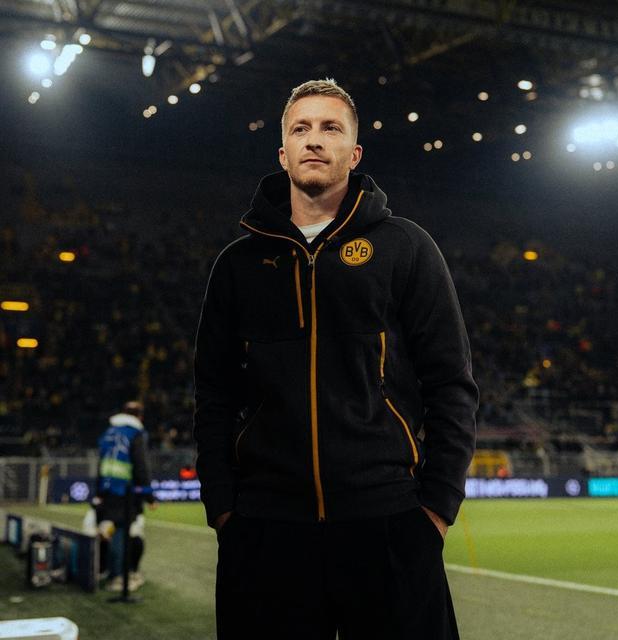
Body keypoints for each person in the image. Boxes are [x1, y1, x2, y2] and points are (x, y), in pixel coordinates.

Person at [194, 78, 479, 639]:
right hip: (265, 529)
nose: (314, 139)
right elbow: (213, 395)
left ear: (355, 152)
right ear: (283, 153)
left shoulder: (406, 247)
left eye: (331, 128)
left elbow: (451, 383)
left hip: (390, 523)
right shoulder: (237, 265)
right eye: (300, 128)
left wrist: (435, 510)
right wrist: (224, 508)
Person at [97, 400, 157, 592]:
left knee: (109, 530)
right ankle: (119, 577)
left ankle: (107, 570)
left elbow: (101, 462)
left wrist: (99, 492)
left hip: (107, 489)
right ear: (140, 416)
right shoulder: (135, 433)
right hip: (124, 491)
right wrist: (149, 495)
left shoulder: (109, 432)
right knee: (122, 532)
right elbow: (141, 465)